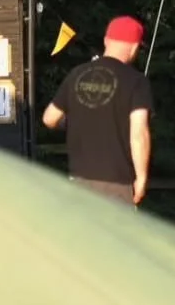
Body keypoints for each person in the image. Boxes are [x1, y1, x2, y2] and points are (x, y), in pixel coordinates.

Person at [42, 16, 153, 206]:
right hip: (116, 184)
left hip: (78, 181)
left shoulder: (77, 73)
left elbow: (49, 118)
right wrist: (141, 178)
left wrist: (79, 120)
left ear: (106, 41)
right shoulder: (136, 81)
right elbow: (139, 134)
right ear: (135, 47)